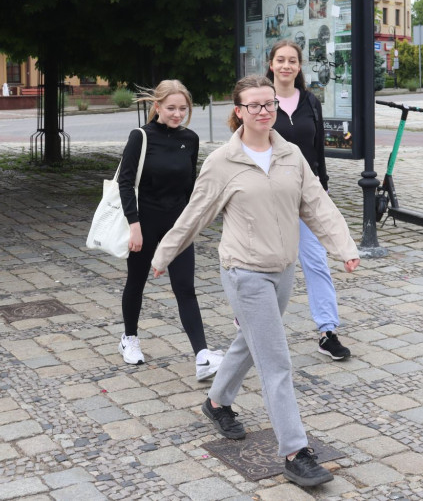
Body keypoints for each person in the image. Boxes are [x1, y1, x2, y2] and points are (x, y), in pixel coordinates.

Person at [151, 75, 360, 487]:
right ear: (239, 112)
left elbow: (317, 205)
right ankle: (296, 452)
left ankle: (216, 401)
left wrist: (345, 247)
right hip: (244, 271)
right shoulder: (222, 162)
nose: (264, 111)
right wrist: (163, 254)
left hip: (282, 270)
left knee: (251, 339)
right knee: (276, 360)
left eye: (269, 104)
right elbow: (195, 215)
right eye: (254, 105)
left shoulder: (291, 155)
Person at [116, 80, 223, 381]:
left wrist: (189, 225)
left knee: (185, 288)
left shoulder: (190, 139)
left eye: (183, 108)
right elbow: (125, 182)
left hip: (177, 226)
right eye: (171, 108)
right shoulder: (141, 136)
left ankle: (202, 356)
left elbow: (190, 188)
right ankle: (129, 338)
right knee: (136, 282)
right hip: (145, 222)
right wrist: (134, 226)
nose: (177, 114)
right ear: (158, 106)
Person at [265, 38, 352, 360]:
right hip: (270, 197)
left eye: (292, 61)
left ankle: (327, 331)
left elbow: (318, 151)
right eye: (281, 60)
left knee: (316, 262)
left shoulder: (311, 102)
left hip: (307, 195)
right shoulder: (262, 101)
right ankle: (251, 321)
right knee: (269, 263)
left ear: (299, 67)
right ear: (271, 64)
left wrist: (323, 189)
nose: (286, 66)